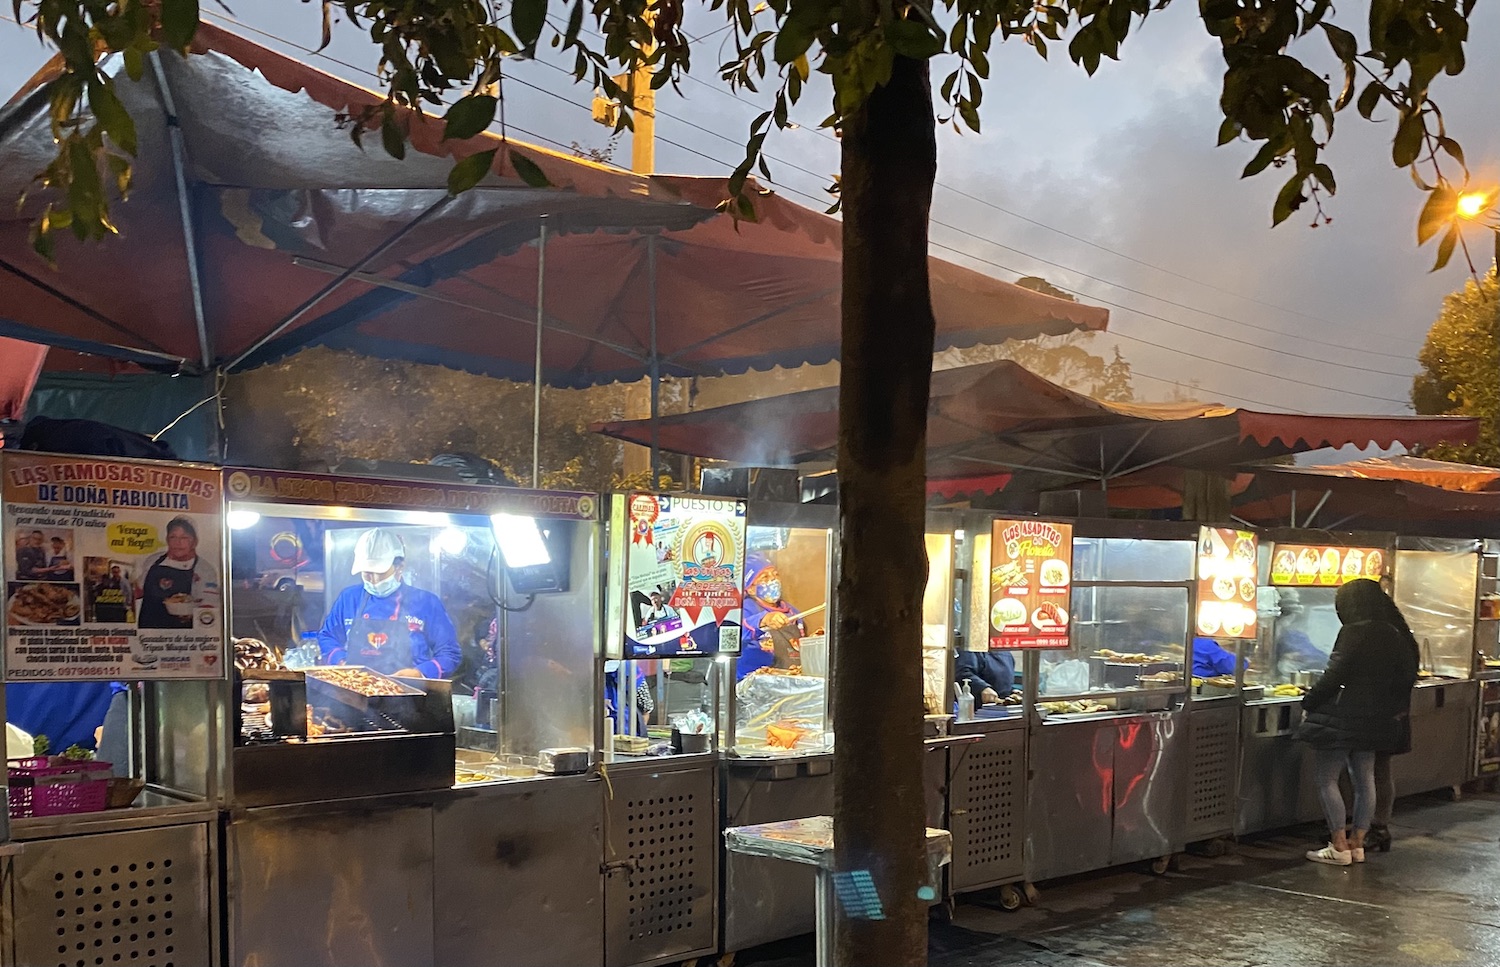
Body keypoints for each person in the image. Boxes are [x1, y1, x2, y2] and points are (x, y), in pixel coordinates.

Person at [1294, 579, 1419, 865]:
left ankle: (1338, 845)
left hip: (1344, 716)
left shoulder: (1354, 631)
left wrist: (1309, 701)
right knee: (1365, 780)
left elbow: (1334, 674)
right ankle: (1358, 844)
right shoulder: (1395, 634)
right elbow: (1407, 675)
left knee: (1326, 779)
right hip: (1376, 720)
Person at [317, 528, 461, 679]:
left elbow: (449, 653)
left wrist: (421, 673)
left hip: (409, 693)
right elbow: (327, 636)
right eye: (367, 573)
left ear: (400, 567)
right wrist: (340, 661)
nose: (374, 579)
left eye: (380, 572)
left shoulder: (426, 602)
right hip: (356, 691)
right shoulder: (349, 598)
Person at [135, 516, 220, 629]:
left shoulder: (204, 569)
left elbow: (209, 606)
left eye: (184, 537)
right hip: (147, 633)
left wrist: (192, 614)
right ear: (167, 539)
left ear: (195, 542)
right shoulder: (153, 560)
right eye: (173, 537)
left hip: (181, 637)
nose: (178, 543)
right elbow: (139, 590)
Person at [737, 555, 805, 681]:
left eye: (775, 574)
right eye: (765, 577)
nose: (773, 580)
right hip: (752, 683)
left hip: (789, 680)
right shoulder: (743, 609)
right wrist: (763, 620)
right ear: (751, 589)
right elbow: (734, 634)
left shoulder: (793, 612)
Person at [605, 659, 655, 737]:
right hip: (622, 728)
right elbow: (646, 705)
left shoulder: (628, 668)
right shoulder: (628, 666)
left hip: (624, 730)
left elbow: (646, 706)